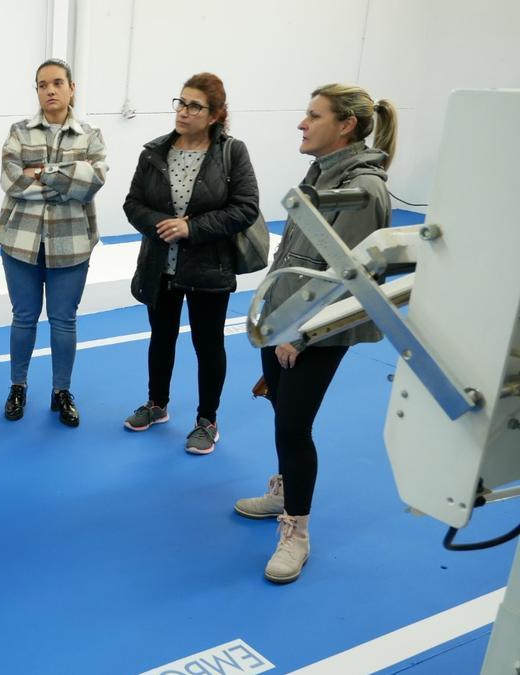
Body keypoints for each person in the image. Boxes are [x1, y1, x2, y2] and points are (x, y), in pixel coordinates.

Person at [234, 84, 397, 584]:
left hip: (314, 332)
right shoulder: (324, 172)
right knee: (283, 412)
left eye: (313, 116)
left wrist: (300, 336)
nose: (302, 124)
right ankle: (284, 490)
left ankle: (297, 533)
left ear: (345, 125)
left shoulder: (363, 190)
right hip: (284, 321)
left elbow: (349, 280)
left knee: (293, 427)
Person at [122, 72, 259, 454]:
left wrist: (191, 228)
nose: (183, 112)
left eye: (194, 106)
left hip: (209, 266)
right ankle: (157, 405)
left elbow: (246, 208)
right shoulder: (154, 152)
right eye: (180, 103)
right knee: (160, 338)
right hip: (159, 265)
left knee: (208, 344)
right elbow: (133, 204)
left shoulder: (232, 153)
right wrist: (160, 226)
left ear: (215, 114)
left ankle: (206, 420)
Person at [0, 59, 107, 427]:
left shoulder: (91, 135)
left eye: (58, 82)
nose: (50, 90)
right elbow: (12, 181)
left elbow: (92, 180)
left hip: (72, 244)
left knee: (64, 321)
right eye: (42, 84)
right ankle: (18, 387)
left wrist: (41, 173)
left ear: (72, 87)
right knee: (23, 318)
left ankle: (62, 391)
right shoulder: (18, 132)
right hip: (21, 243)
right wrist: (65, 184)